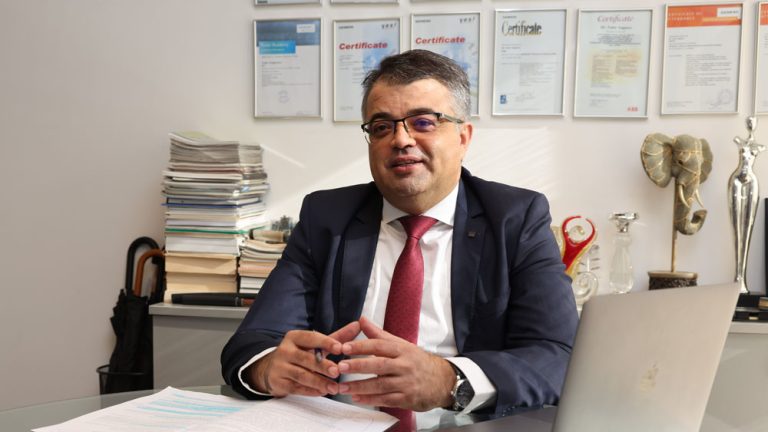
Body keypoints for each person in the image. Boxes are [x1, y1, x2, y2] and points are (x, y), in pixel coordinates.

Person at [221, 50, 578, 424]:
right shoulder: (327, 218)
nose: (401, 139)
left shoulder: (515, 219)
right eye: (382, 127)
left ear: (463, 137)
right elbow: (251, 342)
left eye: (423, 122)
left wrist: (450, 380)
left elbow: (558, 356)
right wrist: (268, 368)